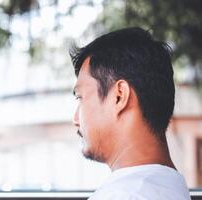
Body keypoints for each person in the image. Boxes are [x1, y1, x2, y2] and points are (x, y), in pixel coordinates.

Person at [70, 27, 191, 200]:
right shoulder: (171, 185)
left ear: (119, 96)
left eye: (81, 98)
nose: (75, 119)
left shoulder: (125, 195)